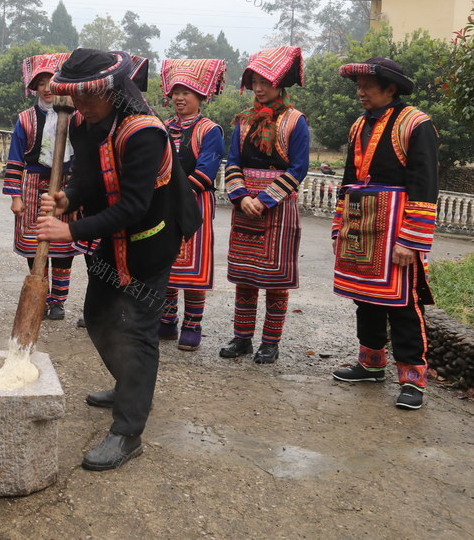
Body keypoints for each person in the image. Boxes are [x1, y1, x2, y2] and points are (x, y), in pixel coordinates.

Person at [37, 48, 200, 471]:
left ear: (113, 90)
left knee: (138, 333)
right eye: (76, 99)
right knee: (97, 316)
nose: (81, 107)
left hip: (150, 241)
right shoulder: (84, 124)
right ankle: (131, 384)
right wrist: (68, 197)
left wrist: (68, 230)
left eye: (89, 97)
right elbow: (90, 179)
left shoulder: (144, 133)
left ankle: (128, 431)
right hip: (109, 240)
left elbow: (133, 207)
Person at [330, 58, 439, 410]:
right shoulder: (358, 125)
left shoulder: (416, 124)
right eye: (358, 86)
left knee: (404, 302)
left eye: (368, 86)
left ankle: (413, 379)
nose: (360, 92)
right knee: (365, 296)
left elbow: (425, 184)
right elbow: (348, 179)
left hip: (397, 226)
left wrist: (411, 238)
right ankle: (371, 363)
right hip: (362, 221)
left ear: (390, 89)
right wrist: (339, 225)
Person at [221, 46, 309, 364]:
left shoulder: (295, 122)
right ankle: (242, 338)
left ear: (280, 85)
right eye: (255, 81)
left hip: (278, 206)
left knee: (274, 280)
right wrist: (242, 197)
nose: (258, 88)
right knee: (245, 277)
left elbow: (298, 168)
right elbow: (232, 162)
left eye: (265, 82)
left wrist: (265, 198)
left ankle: (270, 343)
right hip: (245, 205)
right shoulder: (243, 122)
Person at [157, 59, 226, 351]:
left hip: (195, 204)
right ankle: (168, 319)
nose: (180, 97)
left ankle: (193, 324)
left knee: (195, 267)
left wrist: (174, 195)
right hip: (163, 203)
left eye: (187, 91)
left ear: (202, 96)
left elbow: (205, 172)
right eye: (176, 91)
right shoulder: (162, 127)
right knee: (166, 262)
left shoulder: (211, 130)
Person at [3, 52, 78, 321]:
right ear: (34, 87)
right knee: (34, 245)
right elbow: (14, 160)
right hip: (33, 185)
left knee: (62, 247)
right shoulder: (25, 119)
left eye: (53, 81)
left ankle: (58, 301)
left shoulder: (76, 117)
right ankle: (41, 296)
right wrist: (15, 196)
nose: (47, 88)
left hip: (65, 189)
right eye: (41, 82)